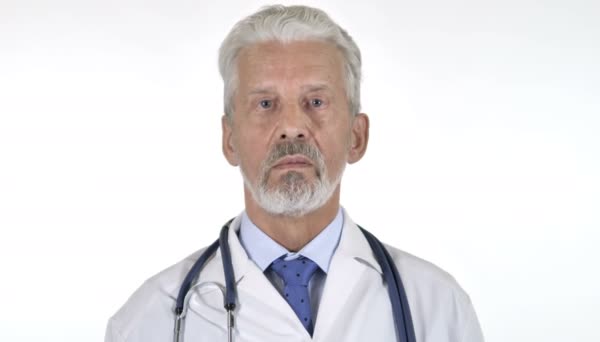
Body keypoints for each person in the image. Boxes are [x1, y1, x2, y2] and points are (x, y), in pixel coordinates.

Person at [105, 5, 484, 342]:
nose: (291, 126)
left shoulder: (436, 307)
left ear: (357, 136)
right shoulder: (148, 320)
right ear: (230, 139)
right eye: (265, 103)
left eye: (315, 101)